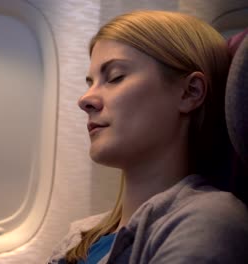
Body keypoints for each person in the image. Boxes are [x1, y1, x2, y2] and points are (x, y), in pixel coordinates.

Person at [47, 10, 248, 264]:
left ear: (190, 93)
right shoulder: (81, 235)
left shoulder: (208, 220)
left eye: (115, 77)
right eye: (91, 82)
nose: (85, 99)